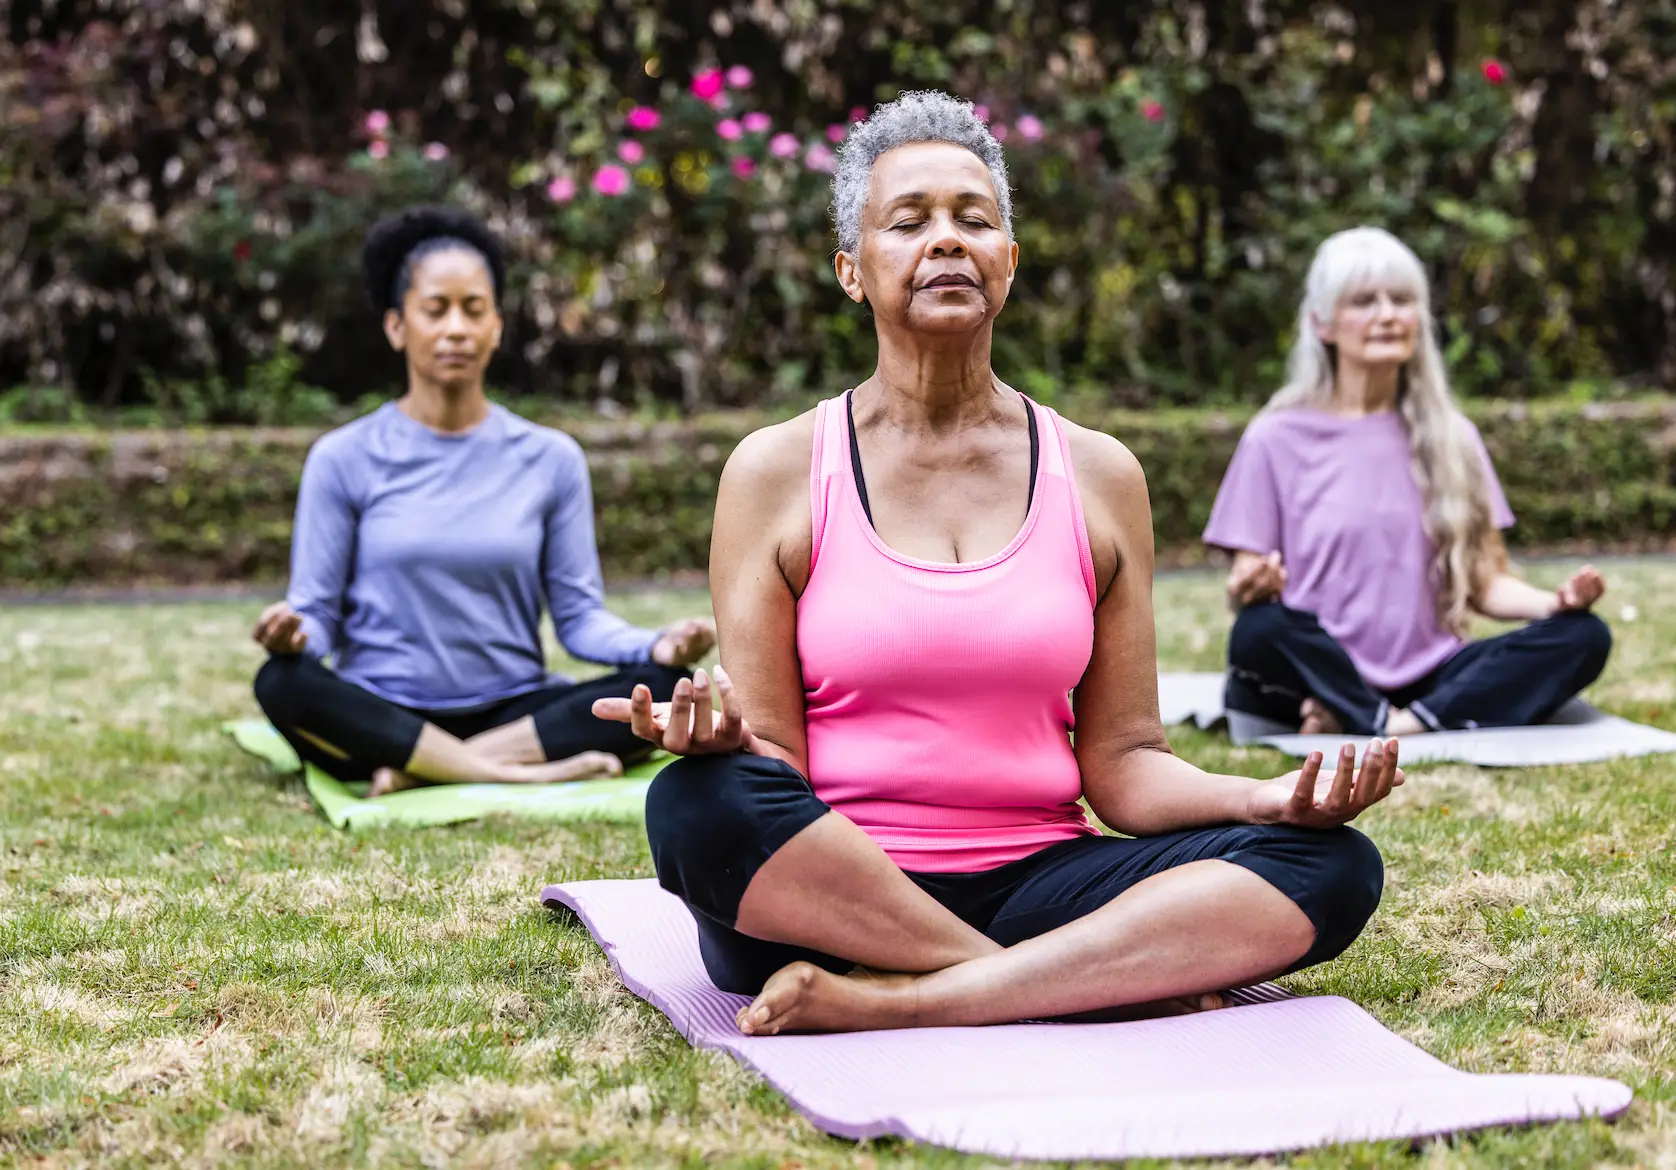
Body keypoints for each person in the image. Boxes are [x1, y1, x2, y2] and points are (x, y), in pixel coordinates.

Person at [594, 92, 1399, 1037]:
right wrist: (723, 741)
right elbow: (775, 761)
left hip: (1041, 881)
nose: (946, 241)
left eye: (975, 221)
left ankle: (915, 999)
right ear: (852, 271)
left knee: (1335, 865)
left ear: (1007, 264)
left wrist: (1264, 798)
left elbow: (1127, 765)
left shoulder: (1099, 474)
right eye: (910, 222)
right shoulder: (774, 471)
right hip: (829, 890)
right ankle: (1067, 982)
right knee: (696, 804)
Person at [252, 204, 714, 796]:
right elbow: (314, 613)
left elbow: (578, 618)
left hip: (514, 710)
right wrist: (292, 637)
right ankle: (513, 772)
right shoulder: (343, 458)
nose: (456, 329)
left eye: (473, 310)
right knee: (281, 682)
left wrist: (654, 643)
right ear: (397, 326)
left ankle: (429, 772)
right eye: (435, 310)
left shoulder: (551, 459)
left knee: (657, 683)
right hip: (383, 712)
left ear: (496, 326)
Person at [1203, 227, 1612, 738]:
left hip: (1428, 675)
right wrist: (1250, 584)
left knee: (1584, 636)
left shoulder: (1453, 438)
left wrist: (1557, 604)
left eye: (1401, 300)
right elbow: (1248, 577)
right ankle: (1379, 713)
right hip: (1320, 670)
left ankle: (1390, 722)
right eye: (1364, 301)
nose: (1387, 314)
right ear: (1322, 324)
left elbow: (1486, 582)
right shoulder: (1274, 437)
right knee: (1259, 629)